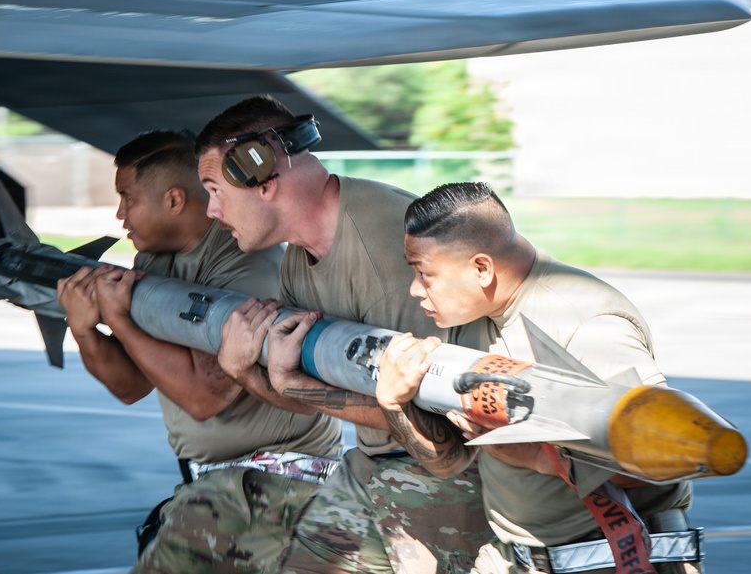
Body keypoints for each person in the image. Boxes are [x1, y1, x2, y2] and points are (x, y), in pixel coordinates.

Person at [195, 96, 494, 574]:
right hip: (378, 459)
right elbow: (315, 396)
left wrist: (292, 384)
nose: (211, 210)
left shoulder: (389, 247)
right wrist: (247, 372)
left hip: (452, 469)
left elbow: (434, 425)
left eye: (215, 190)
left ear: (262, 179)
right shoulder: (299, 258)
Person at [374, 181, 703, 574]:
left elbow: (664, 457)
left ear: (481, 269)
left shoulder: (585, 322)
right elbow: (449, 462)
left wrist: (537, 456)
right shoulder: (472, 316)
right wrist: (394, 403)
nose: (415, 289)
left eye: (424, 273)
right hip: (515, 556)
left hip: (615, 556)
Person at [56, 129, 342, 574]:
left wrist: (119, 321)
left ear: (173, 200)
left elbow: (204, 398)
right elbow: (130, 386)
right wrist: (85, 329)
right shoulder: (154, 261)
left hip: (275, 481)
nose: (119, 213)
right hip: (218, 484)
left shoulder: (245, 265)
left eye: (128, 198)